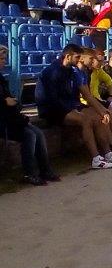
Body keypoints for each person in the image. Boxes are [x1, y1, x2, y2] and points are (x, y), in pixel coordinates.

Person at [35, 44, 112, 169]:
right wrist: (75, 111)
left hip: (68, 106)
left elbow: (86, 95)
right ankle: (96, 159)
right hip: (52, 110)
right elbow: (53, 100)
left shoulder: (71, 71)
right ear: (68, 56)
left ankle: (108, 154)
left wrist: (102, 112)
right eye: (77, 57)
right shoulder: (52, 72)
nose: (79, 59)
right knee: (86, 120)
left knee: (99, 118)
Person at [0, 46, 60, 185]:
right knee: (29, 135)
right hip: (2, 122)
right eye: (1, 58)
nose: (3, 61)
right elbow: (5, 101)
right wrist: (4, 102)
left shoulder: (1, 78)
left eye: (4, 58)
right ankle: (29, 173)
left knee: (38, 133)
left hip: (8, 119)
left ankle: (45, 170)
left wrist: (13, 105)